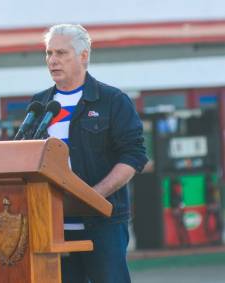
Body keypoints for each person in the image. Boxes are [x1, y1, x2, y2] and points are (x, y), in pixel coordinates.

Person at [29, 24, 148, 283]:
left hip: (102, 223)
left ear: (84, 56)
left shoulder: (111, 101)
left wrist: (93, 196)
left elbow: (133, 155)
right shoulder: (39, 106)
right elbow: (24, 156)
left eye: (61, 53)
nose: (53, 61)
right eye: (49, 53)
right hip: (50, 226)